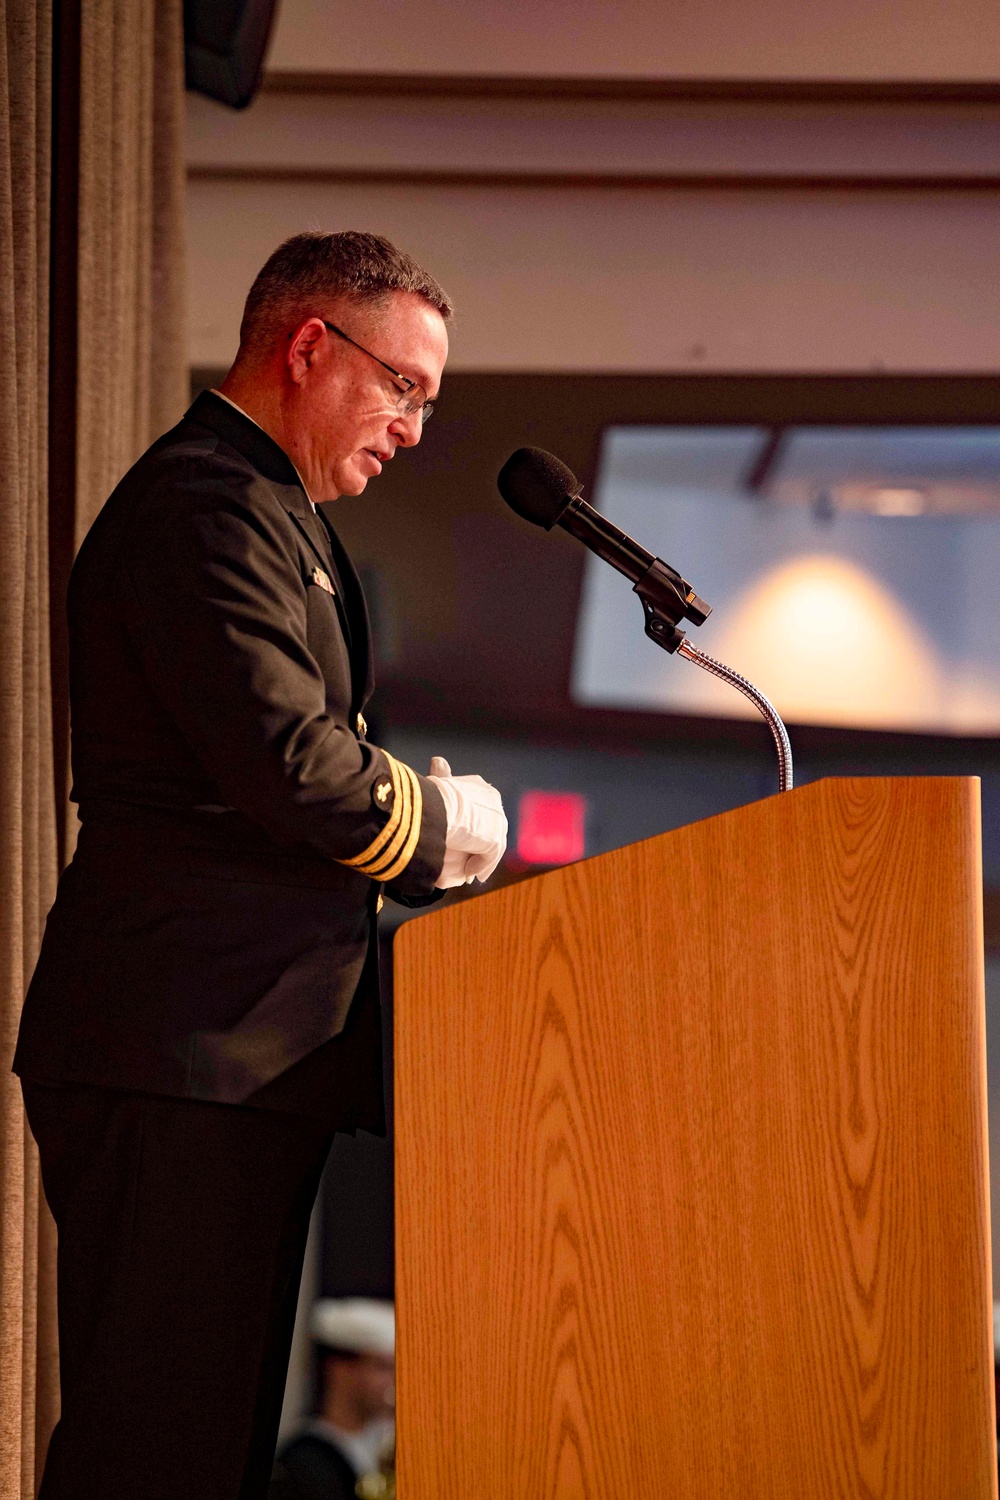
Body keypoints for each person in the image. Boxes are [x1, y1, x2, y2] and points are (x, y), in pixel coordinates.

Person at [14, 231, 507, 1499]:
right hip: (183, 1045)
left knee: (202, 1447)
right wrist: (433, 827)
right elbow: (287, 759)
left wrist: (403, 811)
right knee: (156, 1450)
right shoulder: (204, 503)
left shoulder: (260, 505)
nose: (411, 428)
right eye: (404, 387)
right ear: (308, 347)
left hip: (229, 1052)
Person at [271, 1298, 397, 1500]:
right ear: (339, 1369)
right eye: (382, 1367)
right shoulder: (302, 1461)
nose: (394, 1379)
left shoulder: (389, 1442)